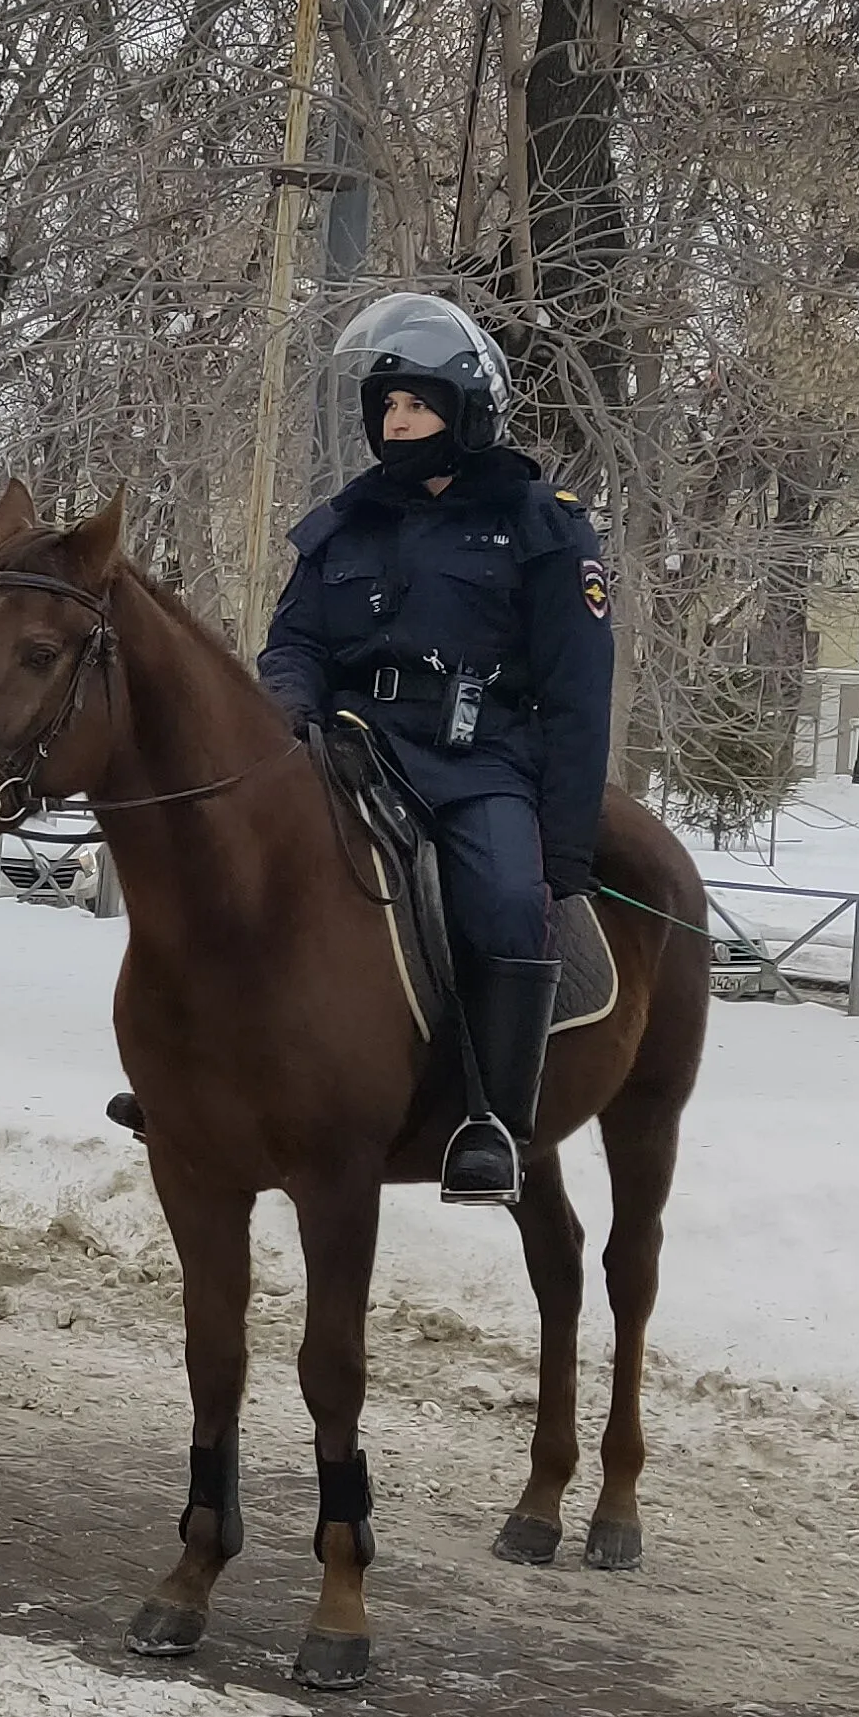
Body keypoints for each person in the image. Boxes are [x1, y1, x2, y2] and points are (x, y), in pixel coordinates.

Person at [250, 292, 613, 1207]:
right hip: (348, 749)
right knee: (241, 869)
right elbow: (293, 644)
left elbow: (577, 693)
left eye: (415, 405)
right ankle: (212, 1077)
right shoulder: (345, 523)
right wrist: (287, 709)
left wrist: (562, 848)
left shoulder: (542, 524)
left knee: (499, 897)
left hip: (478, 761)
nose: (397, 424)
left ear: (466, 408)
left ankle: (492, 1118)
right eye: (386, 409)